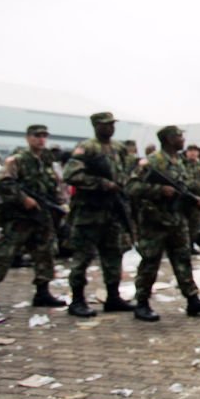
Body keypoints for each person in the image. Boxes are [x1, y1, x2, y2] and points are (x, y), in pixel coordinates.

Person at [125, 126, 200, 322]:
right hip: (155, 222)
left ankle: (192, 299)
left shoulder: (180, 162)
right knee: (150, 263)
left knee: (183, 260)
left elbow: (182, 189)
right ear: (168, 139)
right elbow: (131, 186)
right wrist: (159, 190)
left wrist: (194, 200)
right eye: (179, 136)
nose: (182, 139)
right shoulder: (153, 161)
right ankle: (141, 303)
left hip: (177, 220)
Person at [0, 125, 66, 311]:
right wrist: (23, 199)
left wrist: (60, 203)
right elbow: (1, 182)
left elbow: (53, 186)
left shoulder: (46, 161)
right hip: (19, 217)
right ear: (28, 138)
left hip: (41, 216)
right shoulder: (18, 160)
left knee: (45, 253)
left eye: (43, 136)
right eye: (37, 136)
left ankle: (42, 291)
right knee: (5, 254)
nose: (41, 139)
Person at [63, 112, 135, 318]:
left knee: (113, 256)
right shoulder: (87, 148)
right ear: (96, 126)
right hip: (89, 213)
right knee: (82, 258)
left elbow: (124, 173)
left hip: (112, 212)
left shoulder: (118, 148)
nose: (110, 128)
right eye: (106, 125)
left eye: (112, 124)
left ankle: (113, 297)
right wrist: (101, 184)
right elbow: (71, 174)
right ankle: (77, 300)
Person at [182, 143, 200, 252]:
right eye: (190, 151)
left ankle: (191, 244)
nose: (193, 153)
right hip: (187, 198)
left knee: (195, 224)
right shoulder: (183, 164)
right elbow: (184, 181)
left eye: (195, 151)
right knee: (185, 225)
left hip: (199, 199)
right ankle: (185, 246)